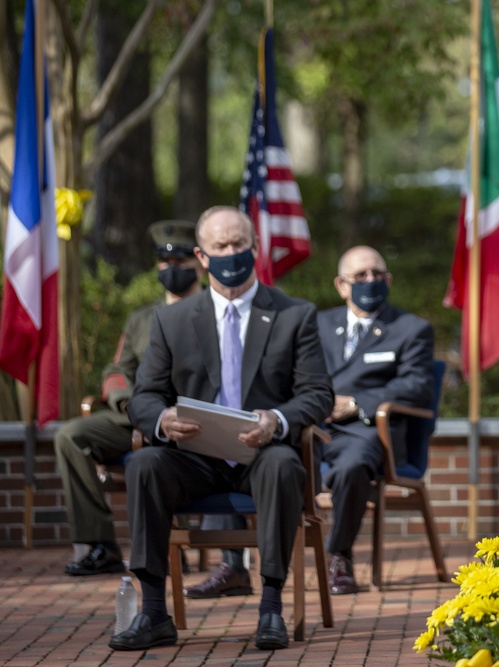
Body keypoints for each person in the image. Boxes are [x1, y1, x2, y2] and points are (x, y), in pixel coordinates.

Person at [112, 206, 332, 651]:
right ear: (202, 256)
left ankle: (271, 608)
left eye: (238, 244)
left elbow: (317, 394)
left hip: (262, 453)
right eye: (220, 246)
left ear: (255, 248)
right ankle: (154, 611)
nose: (231, 253)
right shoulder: (171, 321)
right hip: (196, 458)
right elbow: (144, 395)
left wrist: (278, 420)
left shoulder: (295, 315)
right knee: (145, 463)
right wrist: (162, 419)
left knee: (283, 466)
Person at [56, 220, 204, 576]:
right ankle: (99, 543)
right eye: (164, 263)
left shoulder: (214, 312)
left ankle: (172, 543)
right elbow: (116, 369)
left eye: (181, 262)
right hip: (136, 414)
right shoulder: (142, 318)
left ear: (199, 263)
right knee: (70, 436)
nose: (171, 270)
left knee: (164, 452)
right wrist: (125, 400)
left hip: (192, 418)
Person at [316, 246, 434, 595]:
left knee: (352, 466)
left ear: (388, 280)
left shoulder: (411, 329)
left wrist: (355, 403)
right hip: (314, 426)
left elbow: (418, 385)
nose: (370, 281)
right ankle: (245, 564)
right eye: (361, 276)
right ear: (341, 285)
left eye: (377, 274)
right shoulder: (318, 324)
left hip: (369, 431)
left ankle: (339, 554)